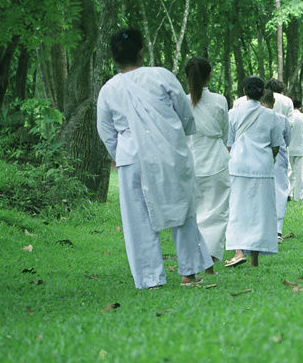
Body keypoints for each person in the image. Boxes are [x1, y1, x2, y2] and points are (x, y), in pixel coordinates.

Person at [96, 28, 212, 289]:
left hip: (130, 158)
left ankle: (150, 280)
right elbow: (184, 115)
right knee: (181, 210)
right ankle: (188, 274)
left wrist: (123, 154)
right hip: (167, 151)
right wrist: (170, 137)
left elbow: (105, 132)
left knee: (138, 219)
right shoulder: (160, 76)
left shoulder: (108, 89)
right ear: (141, 50)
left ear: (114, 56)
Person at [225, 76, 284, 267]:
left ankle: (238, 251)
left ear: (244, 91)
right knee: (261, 212)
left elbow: (228, 144)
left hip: (238, 165)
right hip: (262, 166)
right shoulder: (271, 116)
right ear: (263, 93)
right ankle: (254, 259)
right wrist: (268, 160)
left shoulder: (233, 114)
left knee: (236, 209)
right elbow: (276, 145)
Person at [184, 57, 230, 273]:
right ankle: (209, 263)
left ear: (186, 77)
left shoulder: (182, 102)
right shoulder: (220, 100)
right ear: (209, 75)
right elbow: (225, 133)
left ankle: (195, 261)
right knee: (217, 212)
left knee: (193, 214)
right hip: (216, 160)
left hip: (191, 161)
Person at [260, 90, 291, 243]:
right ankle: (277, 230)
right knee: (279, 191)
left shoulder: (255, 118)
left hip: (259, 157)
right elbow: (287, 139)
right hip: (279, 157)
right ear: (273, 102)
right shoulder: (282, 119)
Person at [288, 99, 303, 202]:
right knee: (300, 174)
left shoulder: (287, 117)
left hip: (288, 148)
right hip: (301, 149)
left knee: (288, 173)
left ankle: (288, 193)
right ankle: (299, 197)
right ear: (300, 107)